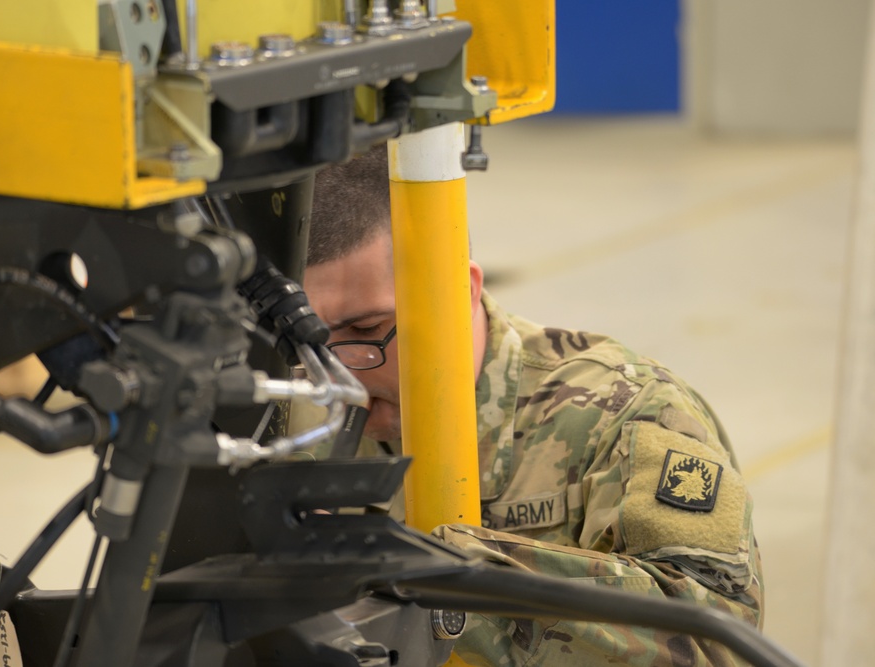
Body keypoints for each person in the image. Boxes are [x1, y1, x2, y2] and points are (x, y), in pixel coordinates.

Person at [301, 145, 764, 666]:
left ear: (460, 291)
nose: (340, 371)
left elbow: (713, 641)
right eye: (307, 341)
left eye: (366, 330)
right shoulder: (282, 415)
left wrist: (426, 581)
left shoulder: (625, 414)